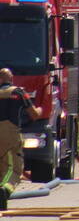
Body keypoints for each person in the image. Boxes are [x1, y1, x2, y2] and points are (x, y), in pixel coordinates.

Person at [0, 68, 41, 210]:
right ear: (11, 79)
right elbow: (34, 114)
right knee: (13, 168)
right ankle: (5, 189)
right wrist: (41, 110)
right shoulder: (18, 92)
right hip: (10, 133)